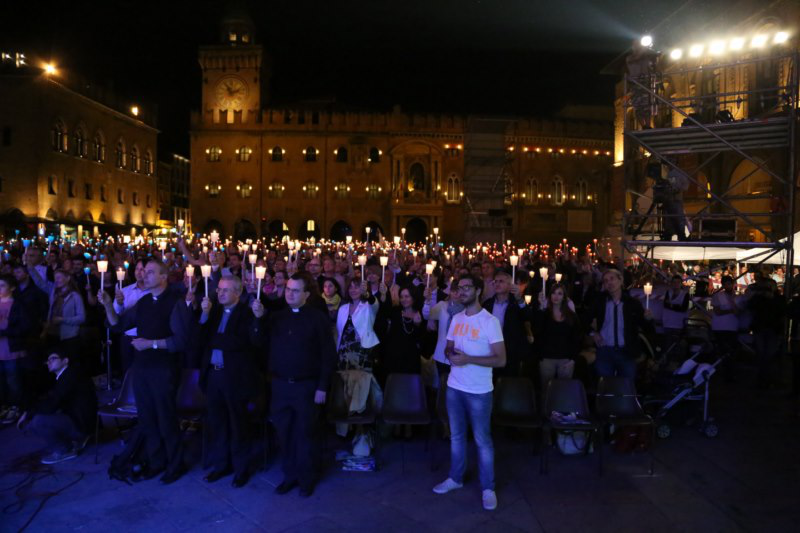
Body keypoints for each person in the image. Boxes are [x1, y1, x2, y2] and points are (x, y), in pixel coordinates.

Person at [98, 260, 191, 484]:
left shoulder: (175, 303)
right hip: (142, 367)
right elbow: (118, 325)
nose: (144, 276)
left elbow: (181, 341)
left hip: (163, 369)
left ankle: (175, 464)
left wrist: (151, 344)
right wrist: (108, 305)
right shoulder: (143, 302)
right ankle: (156, 461)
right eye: (144, 272)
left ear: (163, 277)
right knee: (147, 418)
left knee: (166, 419)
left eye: (151, 273)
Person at [253, 273, 337, 497]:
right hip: (280, 386)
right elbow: (260, 344)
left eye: (295, 290)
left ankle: (307, 478)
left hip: (307, 387)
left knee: (306, 434)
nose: (290, 293)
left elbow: (328, 355)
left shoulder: (318, 319)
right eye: (288, 289)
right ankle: (290, 475)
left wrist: (322, 386)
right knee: (284, 433)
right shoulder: (276, 318)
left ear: (306, 294)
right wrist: (259, 319)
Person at [433, 274, 506, 511]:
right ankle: (456, 477)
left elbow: (501, 359)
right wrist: (451, 352)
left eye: (467, 288)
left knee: (483, 440)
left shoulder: (489, 321)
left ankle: (488, 487)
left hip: (479, 390)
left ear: (478, 290)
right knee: (456, 436)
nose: (462, 292)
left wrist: (469, 359)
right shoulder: (456, 318)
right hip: (455, 386)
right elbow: (448, 346)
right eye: (459, 288)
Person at [195, 274, 261, 488]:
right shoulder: (212, 311)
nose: (219, 293)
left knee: (238, 424)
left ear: (238, 292)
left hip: (234, 377)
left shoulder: (246, 313)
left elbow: (241, 342)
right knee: (217, 423)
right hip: (213, 375)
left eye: (225, 290)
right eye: (219, 289)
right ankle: (221, 464)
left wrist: (214, 339)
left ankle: (241, 469)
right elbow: (198, 337)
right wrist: (204, 315)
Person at [17, 349, 97, 464]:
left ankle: (65, 450)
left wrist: (28, 413)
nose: (48, 362)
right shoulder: (67, 375)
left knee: (38, 421)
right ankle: (72, 441)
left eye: (53, 358)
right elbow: (52, 401)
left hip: (82, 423)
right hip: (81, 419)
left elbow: (52, 404)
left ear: (65, 361)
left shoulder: (69, 376)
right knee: (34, 421)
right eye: (48, 360)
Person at [587, 269, 654, 379]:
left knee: (626, 386)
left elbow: (646, 328)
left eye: (612, 279)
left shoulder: (632, 303)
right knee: (605, 387)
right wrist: (592, 333)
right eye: (606, 281)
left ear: (620, 280)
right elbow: (585, 319)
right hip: (605, 350)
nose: (609, 283)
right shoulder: (599, 302)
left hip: (626, 351)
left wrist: (648, 319)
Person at [0, 276, 36, 424]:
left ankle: (17, 407)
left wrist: (6, 332)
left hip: (11, 349)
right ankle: (5, 406)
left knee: (13, 380)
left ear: (12, 288)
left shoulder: (18, 305)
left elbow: (25, 327)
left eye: (2, 285)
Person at [482, 270, 532, 377]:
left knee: (508, 380)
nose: (497, 284)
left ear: (510, 286)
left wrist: (520, 300)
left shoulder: (516, 303)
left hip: (510, 350)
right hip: (490, 350)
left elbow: (528, 317)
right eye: (495, 281)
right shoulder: (487, 304)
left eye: (501, 281)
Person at [535, 283, 581, 391]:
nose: (556, 296)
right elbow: (537, 330)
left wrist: (573, 359)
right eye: (554, 293)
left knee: (564, 390)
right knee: (546, 390)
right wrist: (540, 307)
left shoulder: (571, 316)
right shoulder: (545, 313)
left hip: (565, 358)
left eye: (560, 294)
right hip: (547, 358)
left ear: (564, 297)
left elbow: (577, 337)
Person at [113, 259, 150, 373]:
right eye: (137, 269)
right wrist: (119, 303)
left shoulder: (154, 291)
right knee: (129, 372)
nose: (139, 272)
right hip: (129, 337)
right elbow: (115, 316)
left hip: (148, 337)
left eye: (142, 270)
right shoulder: (125, 291)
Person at [336, 278, 380, 371]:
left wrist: (367, 294)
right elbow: (340, 332)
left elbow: (374, 302)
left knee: (360, 383)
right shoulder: (343, 308)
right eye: (350, 287)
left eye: (356, 287)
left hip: (362, 352)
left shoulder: (368, 306)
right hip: (344, 352)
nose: (353, 290)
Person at [45, 269, 86, 364]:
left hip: (69, 337)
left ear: (67, 279)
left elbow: (82, 317)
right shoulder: (54, 294)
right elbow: (50, 311)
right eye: (55, 278)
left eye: (59, 277)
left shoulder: (75, 296)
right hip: (53, 334)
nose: (56, 280)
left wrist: (63, 320)